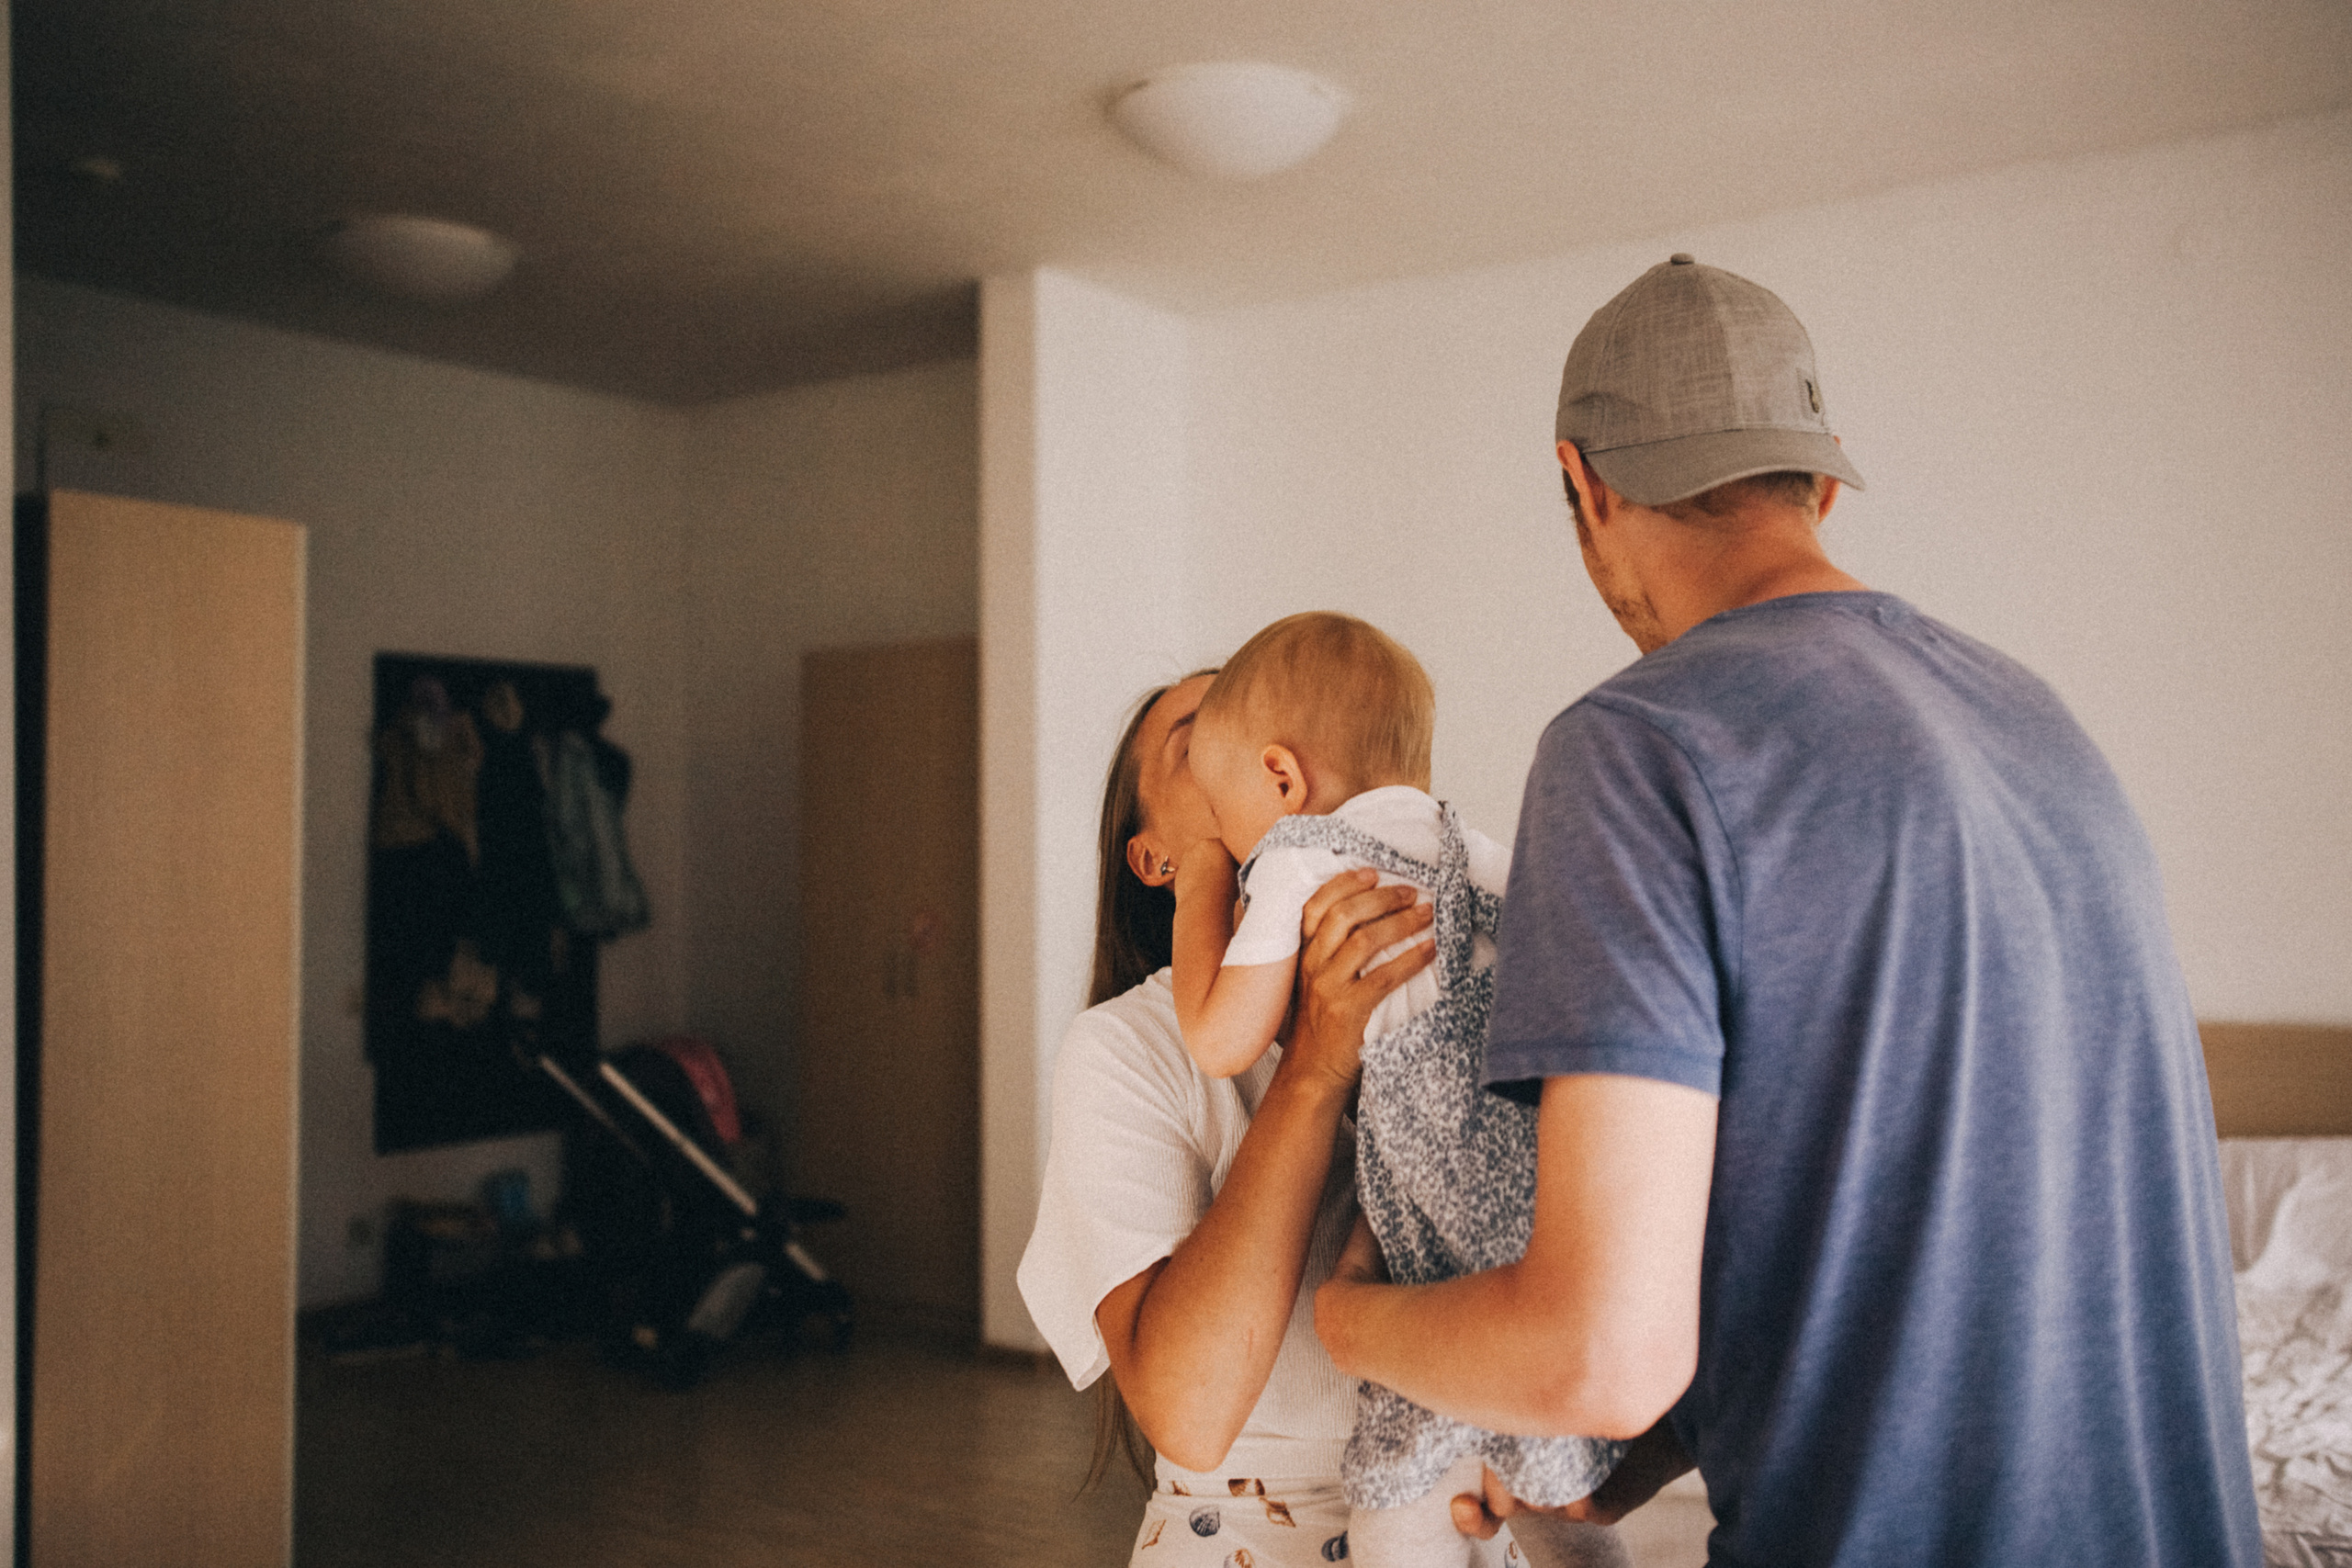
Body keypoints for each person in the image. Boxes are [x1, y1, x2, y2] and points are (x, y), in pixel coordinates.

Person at [1315, 254, 2263, 1565]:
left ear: (1579, 483)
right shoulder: (2040, 722)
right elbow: (1901, 1201)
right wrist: (1623, 1471)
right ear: (1820, 480)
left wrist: (1346, 1316)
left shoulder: (1638, 744)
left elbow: (1597, 1350)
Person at [1168, 612, 1626, 1568]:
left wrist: (1203, 883)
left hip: (1438, 1198)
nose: (1233, 843)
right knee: (1548, 1456)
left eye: (1227, 814)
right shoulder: (1477, 846)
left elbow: (1219, 1038)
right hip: (1541, 1182)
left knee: (1406, 1485)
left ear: (1284, 781)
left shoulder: (1297, 856)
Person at [1017, 671, 1447, 1566]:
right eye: (1196, 736)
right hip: (1247, 1532)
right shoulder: (1124, 1050)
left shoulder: (1434, 981)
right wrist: (1316, 1068)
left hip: (1453, 1500)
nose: (1248, 751)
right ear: (1154, 858)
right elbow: (1192, 1416)